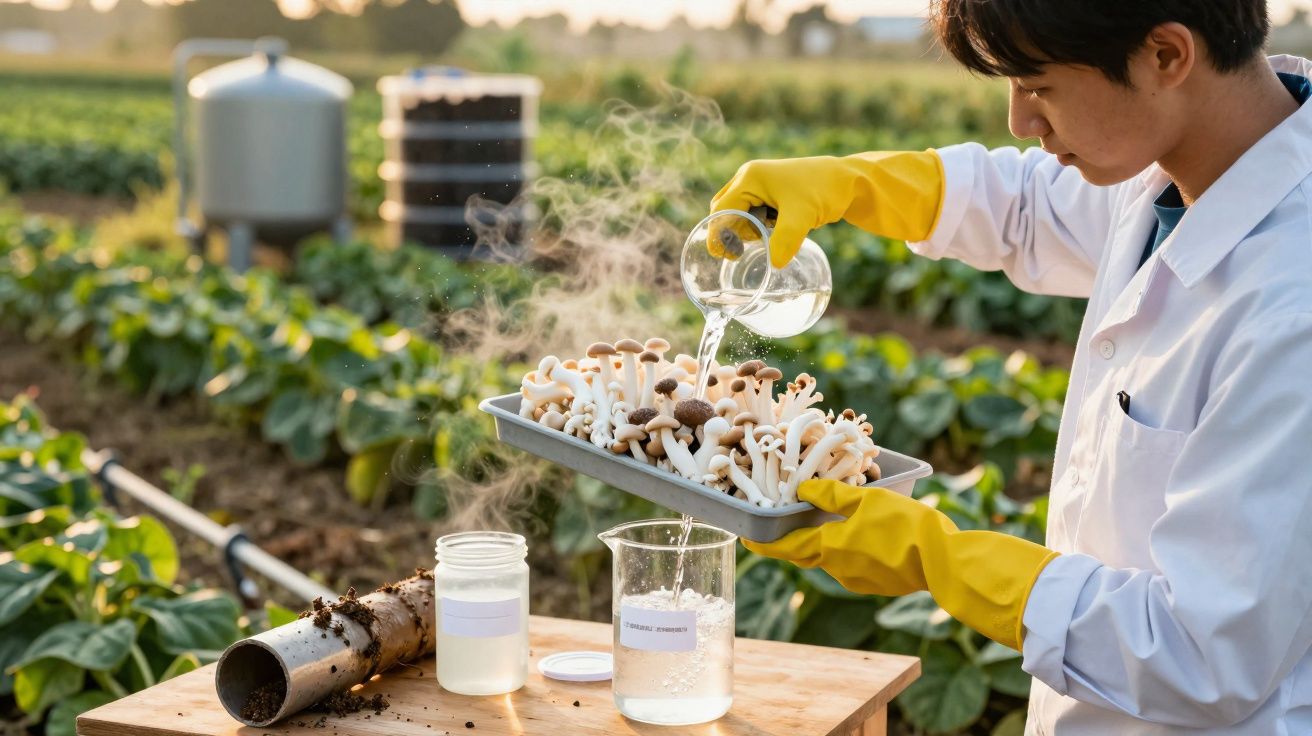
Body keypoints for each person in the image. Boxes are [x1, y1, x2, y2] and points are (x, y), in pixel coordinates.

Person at [716, 2, 1312, 733]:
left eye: (1037, 85)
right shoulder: (1179, 168)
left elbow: (1205, 651)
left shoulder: (1292, 304)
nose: (1019, 120)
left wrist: (940, 560)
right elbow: (1028, 206)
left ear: (1166, 55)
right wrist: (853, 184)